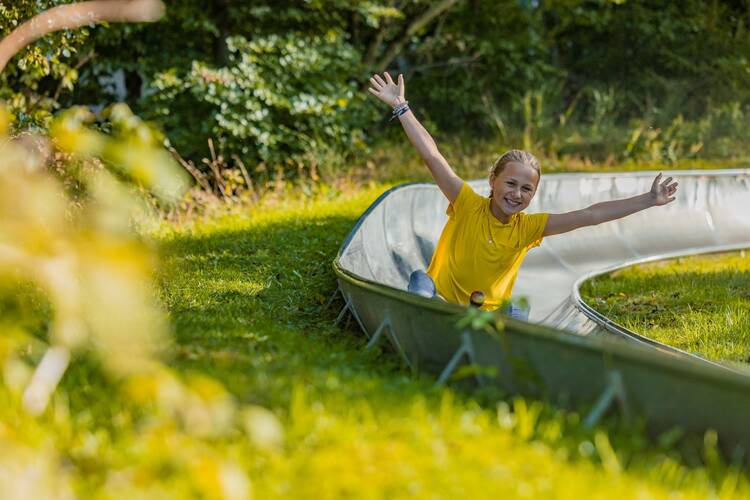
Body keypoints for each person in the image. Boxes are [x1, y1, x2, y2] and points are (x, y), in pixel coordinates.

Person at [367, 72, 679, 320]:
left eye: (526, 189)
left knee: (518, 307)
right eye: (510, 184)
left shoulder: (528, 229)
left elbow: (590, 215)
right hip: (441, 299)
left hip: (486, 314)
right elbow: (433, 157)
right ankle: (419, 321)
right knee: (421, 280)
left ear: (533, 194)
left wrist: (648, 200)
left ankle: (511, 341)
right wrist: (401, 107)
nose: (516, 194)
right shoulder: (466, 203)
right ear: (493, 180)